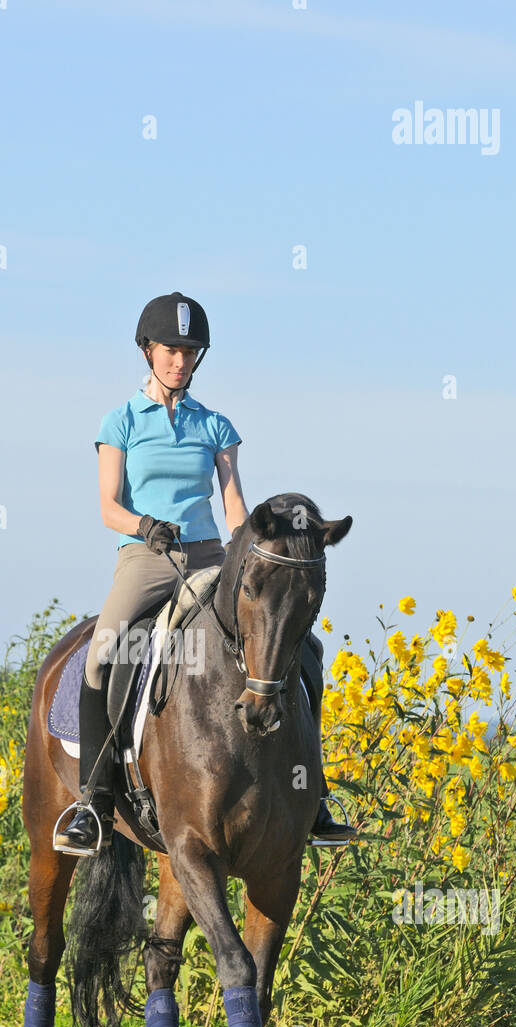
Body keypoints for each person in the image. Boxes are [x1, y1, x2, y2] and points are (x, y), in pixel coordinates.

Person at [53, 291, 355, 855]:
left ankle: (311, 796)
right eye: (170, 350)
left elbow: (236, 507)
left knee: (304, 649)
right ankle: (93, 802)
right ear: (148, 351)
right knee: (103, 652)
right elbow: (107, 506)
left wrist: (252, 547)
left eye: (190, 352)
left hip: (209, 558)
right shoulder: (120, 421)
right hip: (146, 557)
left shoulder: (215, 426)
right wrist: (145, 527)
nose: (180, 361)